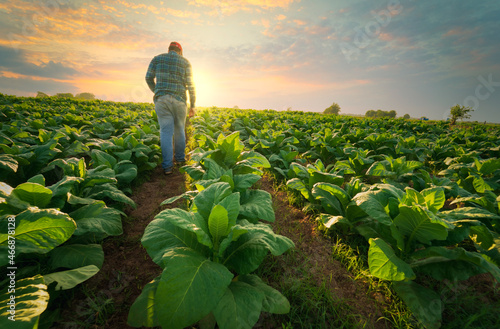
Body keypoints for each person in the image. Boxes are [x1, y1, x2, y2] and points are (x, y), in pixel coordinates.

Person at [145, 41, 196, 175]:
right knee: (179, 130)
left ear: (169, 50)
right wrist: (193, 105)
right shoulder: (185, 62)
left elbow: (148, 77)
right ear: (179, 51)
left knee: (166, 132)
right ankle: (180, 160)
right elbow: (190, 85)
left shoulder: (157, 59)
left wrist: (156, 91)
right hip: (179, 100)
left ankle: (167, 167)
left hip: (162, 100)